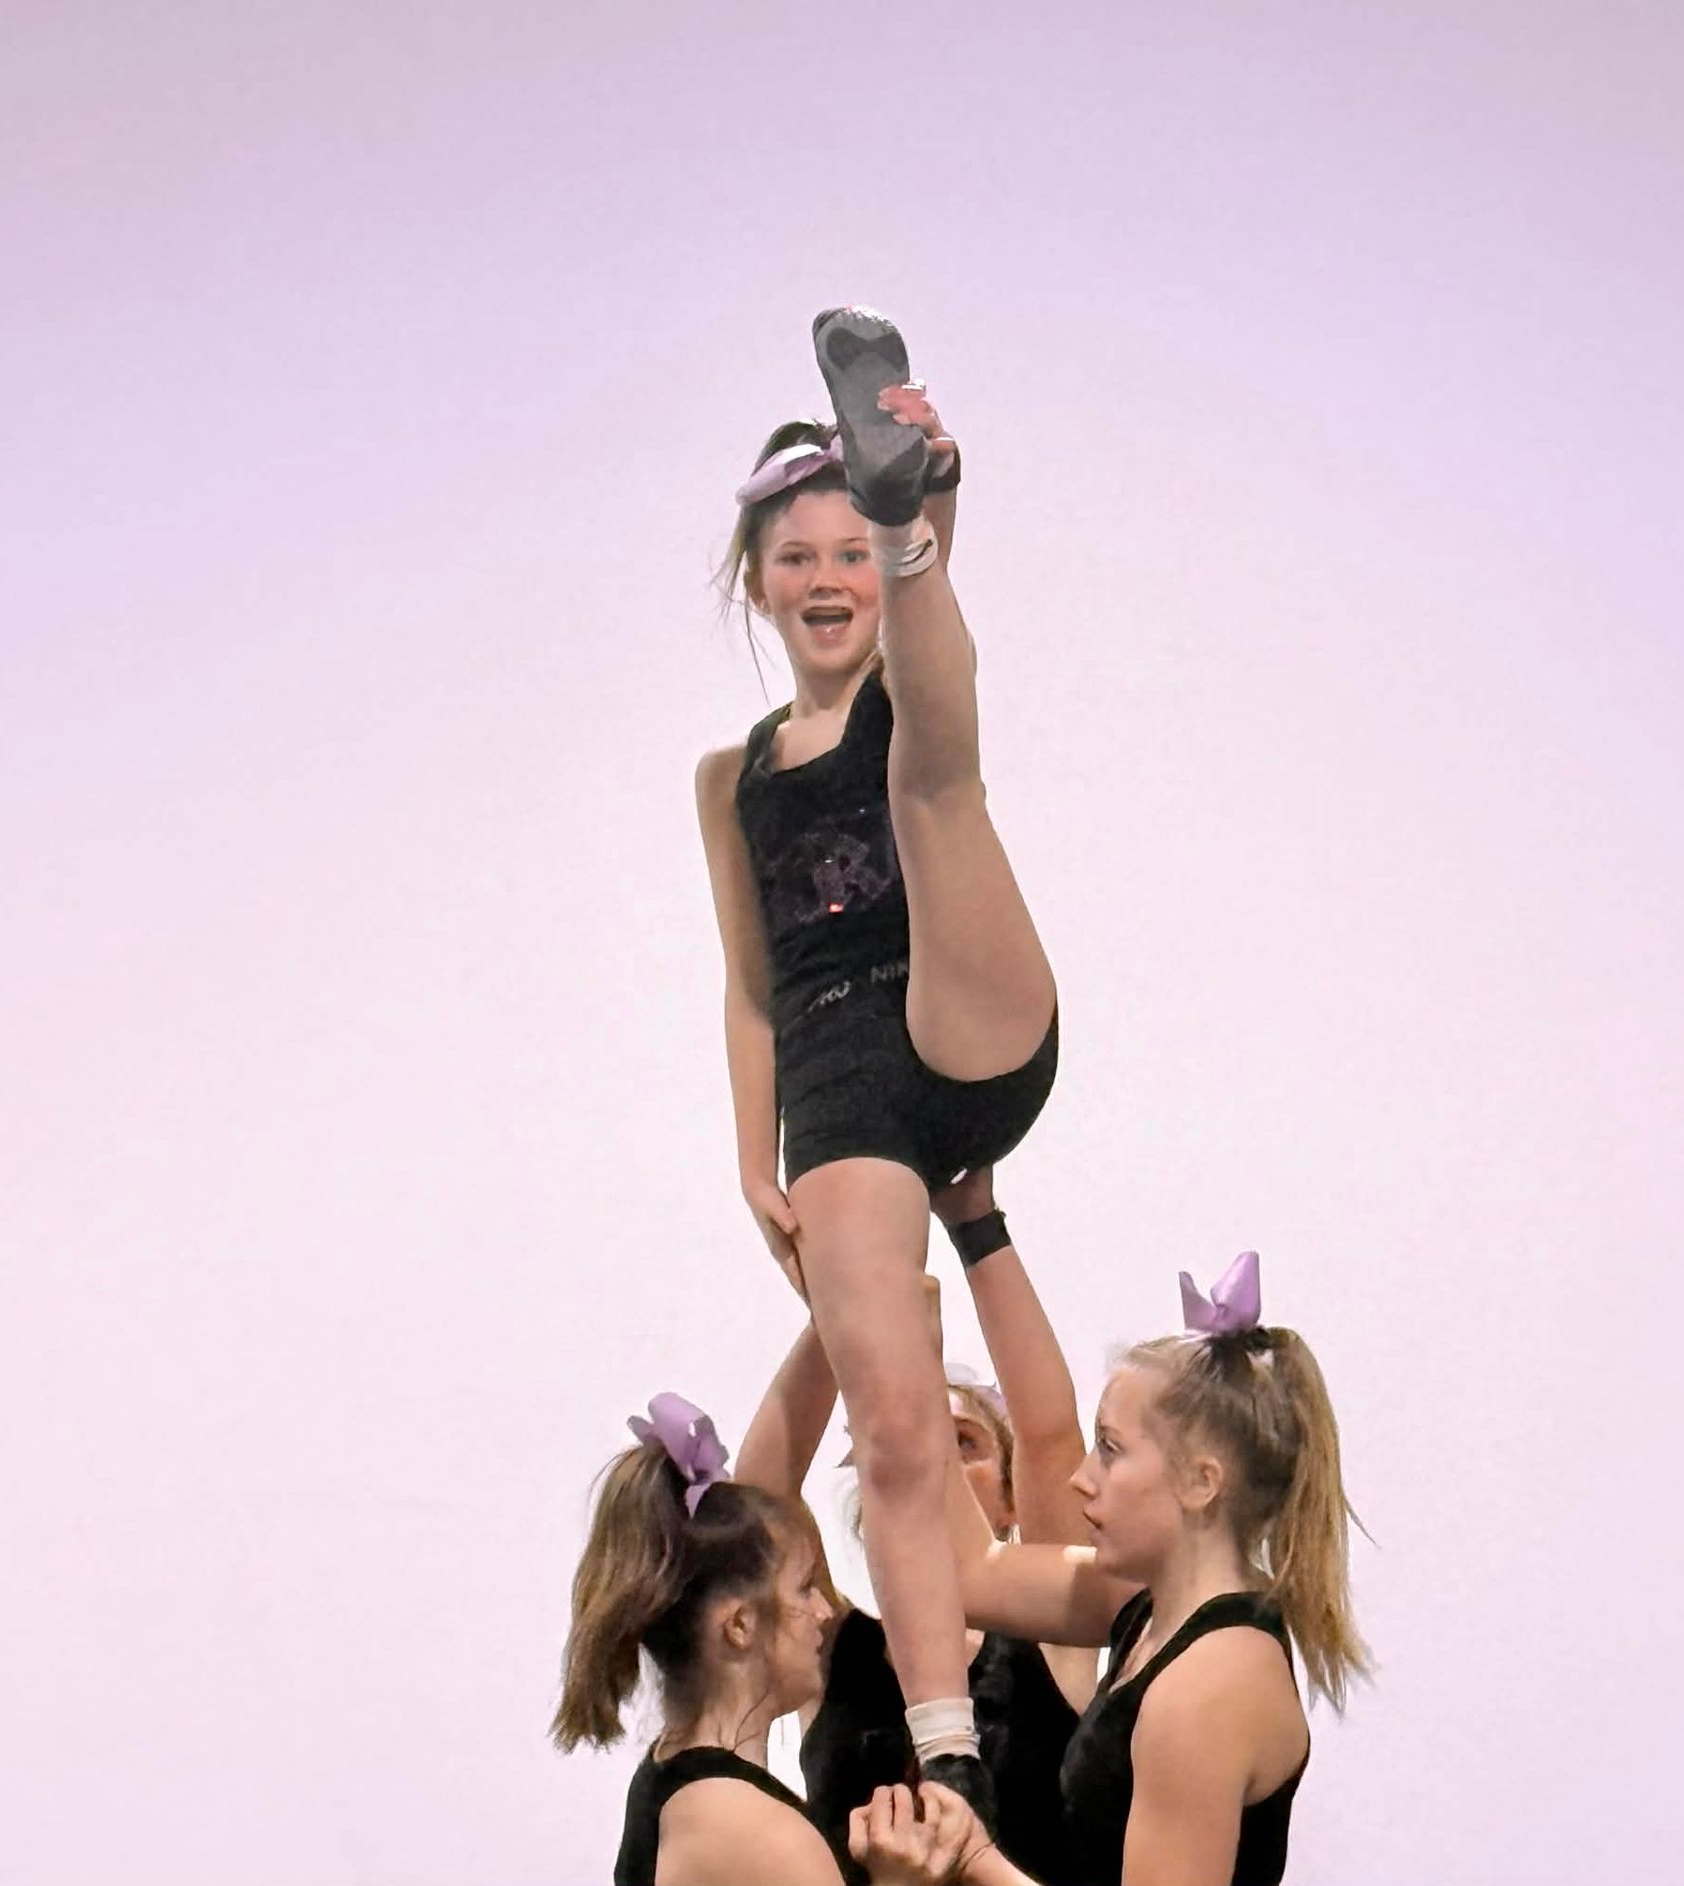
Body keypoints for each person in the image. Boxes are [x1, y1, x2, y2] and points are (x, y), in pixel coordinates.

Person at [697, 307, 1060, 1815]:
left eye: (854, 550)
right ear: (760, 586)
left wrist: (927, 514)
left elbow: (939, 717)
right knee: (893, 1414)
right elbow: (753, 987)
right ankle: (945, 1740)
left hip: (971, 1014)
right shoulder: (727, 781)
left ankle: (923, 495)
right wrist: (750, 1159)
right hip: (848, 1082)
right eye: (805, 559)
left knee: (932, 773)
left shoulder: (908, 690)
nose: (822, 579)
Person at [924, 1255, 1371, 1886]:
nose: (1082, 1479)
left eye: (1110, 1449)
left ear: (1200, 1482)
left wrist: (975, 1862)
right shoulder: (1147, 1612)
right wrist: (904, 1353)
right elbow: (968, 1575)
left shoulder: (1207, 1687)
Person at [732, 1172, 1094, 1877]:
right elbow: (759, 1501)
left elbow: (1052, 1442)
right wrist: (845, 1305)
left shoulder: (1052, 1637)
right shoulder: (830, 1642)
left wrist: (977, 1227)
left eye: (966, 1442)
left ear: (1014, 1500)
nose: (927, 1448)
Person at [553, 1393, 962, 1886]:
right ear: (740, 1625)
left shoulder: (682, 1787)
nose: (824, 1610)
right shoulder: (750, 1827)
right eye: (804, 1587)